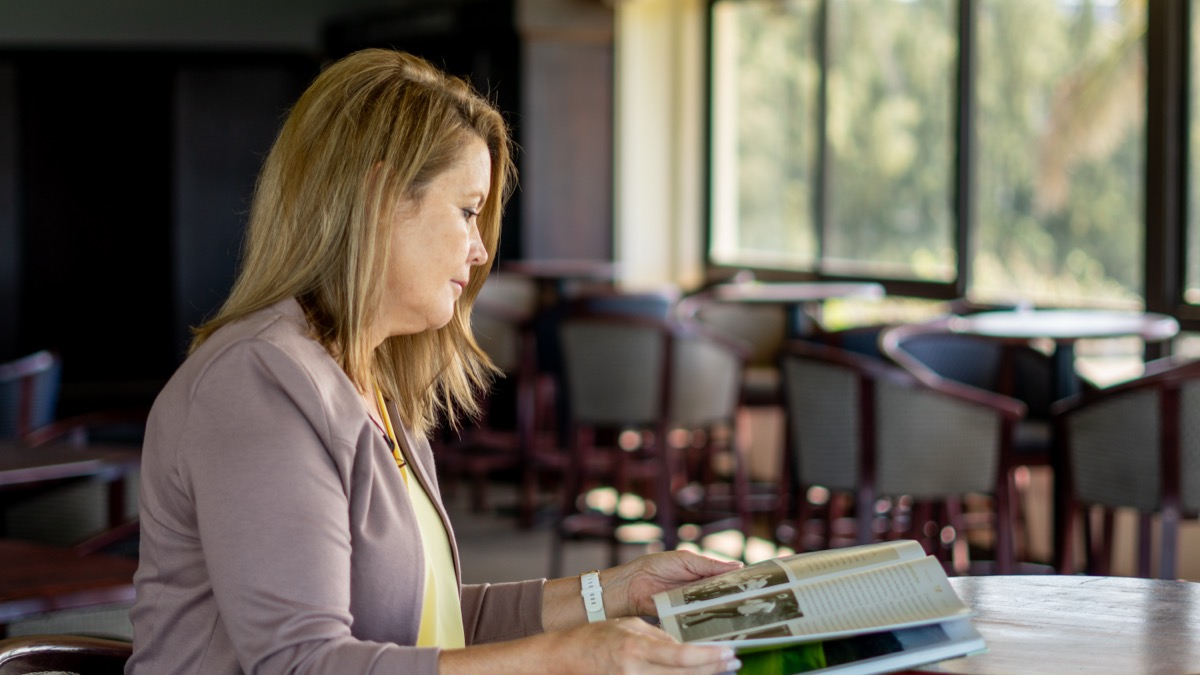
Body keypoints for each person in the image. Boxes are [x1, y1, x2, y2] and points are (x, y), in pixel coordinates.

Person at [125, 48, 744, 674]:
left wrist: (615, 593)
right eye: (468, 211)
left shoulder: (368, 379)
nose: (479, 252)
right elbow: (303, 665)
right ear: (379, 196)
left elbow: (426, 620)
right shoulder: (258, 383)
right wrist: (563, 659)